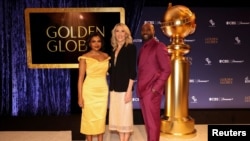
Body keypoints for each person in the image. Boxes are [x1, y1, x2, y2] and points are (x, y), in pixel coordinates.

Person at [136, 22, 171, 141]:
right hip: (142, 92)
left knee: (153, 125)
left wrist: (156, 88)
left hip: (151, 92)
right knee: (148, 124)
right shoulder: (142, 48)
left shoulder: (159, 46)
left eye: (148, 29)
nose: (145, 31)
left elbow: (167, 70)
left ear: (154, 32)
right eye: (143, 30)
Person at [77, 32, 110, 141]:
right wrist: (80, 97)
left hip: (102, 90)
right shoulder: (84, 57)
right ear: (89, 43)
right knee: (89, 118)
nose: (96, 44)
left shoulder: (106, 56)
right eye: (93, 41)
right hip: (89, 90)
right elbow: (81, 78)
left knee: (101, 118)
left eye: (99, 41)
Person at [108, 23, 137, 141]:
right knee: (119, 117)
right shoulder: (113, 49)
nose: (120, 34)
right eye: (117, 31)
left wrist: (129, 90)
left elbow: (132, 71)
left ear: (126, 34)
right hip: (114, 88)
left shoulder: (130, 47)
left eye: (122, 31)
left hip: (125, 89)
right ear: (114, 33)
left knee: (126, 118)